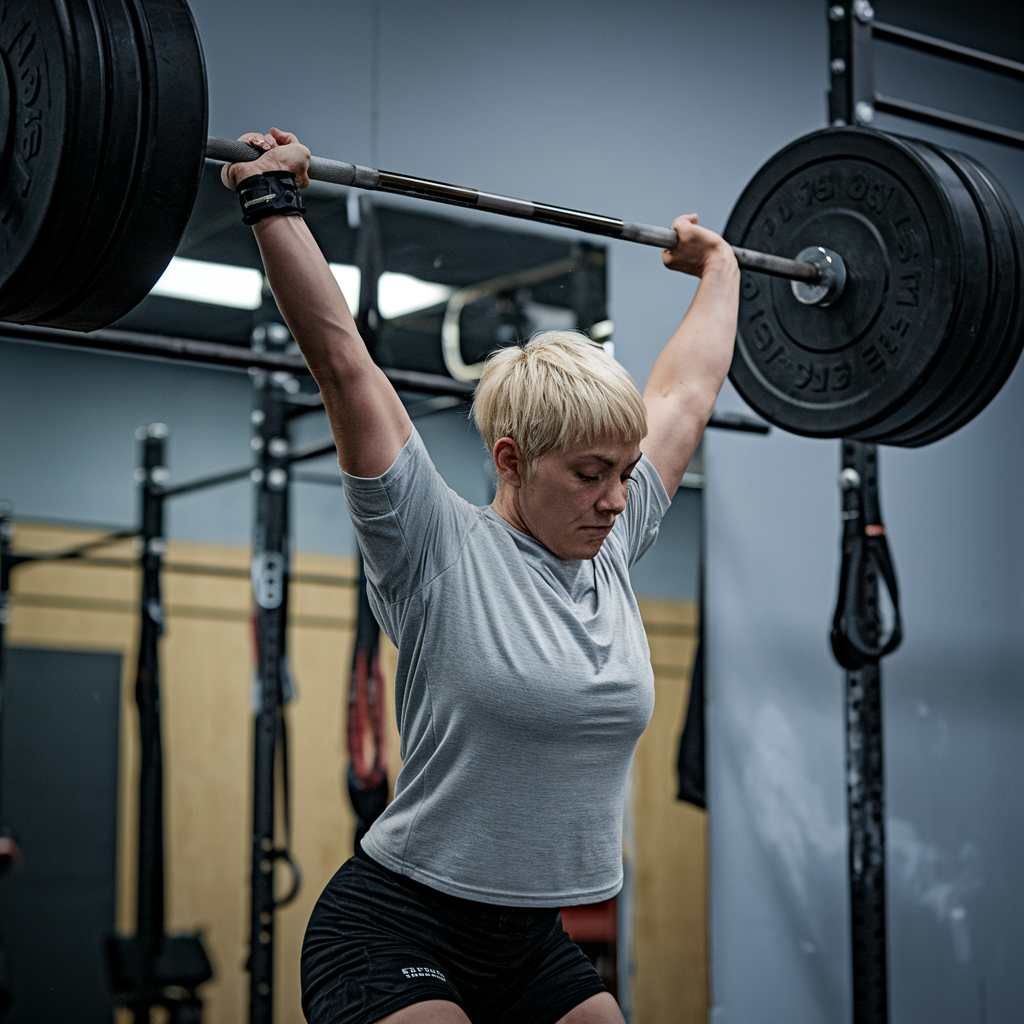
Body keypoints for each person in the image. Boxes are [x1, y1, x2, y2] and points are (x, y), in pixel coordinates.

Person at [222, 128, 739, 1024]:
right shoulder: (434, 548)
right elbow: (345, 364)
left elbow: (688, 393)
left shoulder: (610, 543)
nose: (619, 498)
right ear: (510, 459)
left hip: (529, 940)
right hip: (395, 926)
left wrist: (720, 266)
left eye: (626, 472)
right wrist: (273, 203)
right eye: (589, 474)